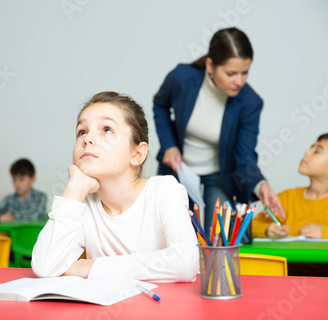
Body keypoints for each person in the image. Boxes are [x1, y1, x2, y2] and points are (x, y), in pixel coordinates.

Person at [32, 91, 199, 282]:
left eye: (107, 129)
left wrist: (91, 267)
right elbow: (45, 266)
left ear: (137, 154)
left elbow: (186, 262)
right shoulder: (83, 203)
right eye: (82, 132)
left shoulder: (164, 190)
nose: (87, 139)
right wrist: (74, 190)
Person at [153, 27, 284, 232]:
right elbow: (160, 106)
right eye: (231, 73)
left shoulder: (250, 102)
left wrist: (261, 185)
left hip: (220, 175)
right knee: (177, 235)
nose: (239, 81)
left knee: (220, 240)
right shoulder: (181, 77)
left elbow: (245, 156)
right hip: (180, 170)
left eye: (245, 72)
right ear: (210, 65)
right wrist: (169, 146)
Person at [253, 133, 328, 239]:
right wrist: (267, 229)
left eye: (316, 151)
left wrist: (324, 232)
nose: (306, 152)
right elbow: (250, 226)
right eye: (311, 148)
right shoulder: (287, 198)